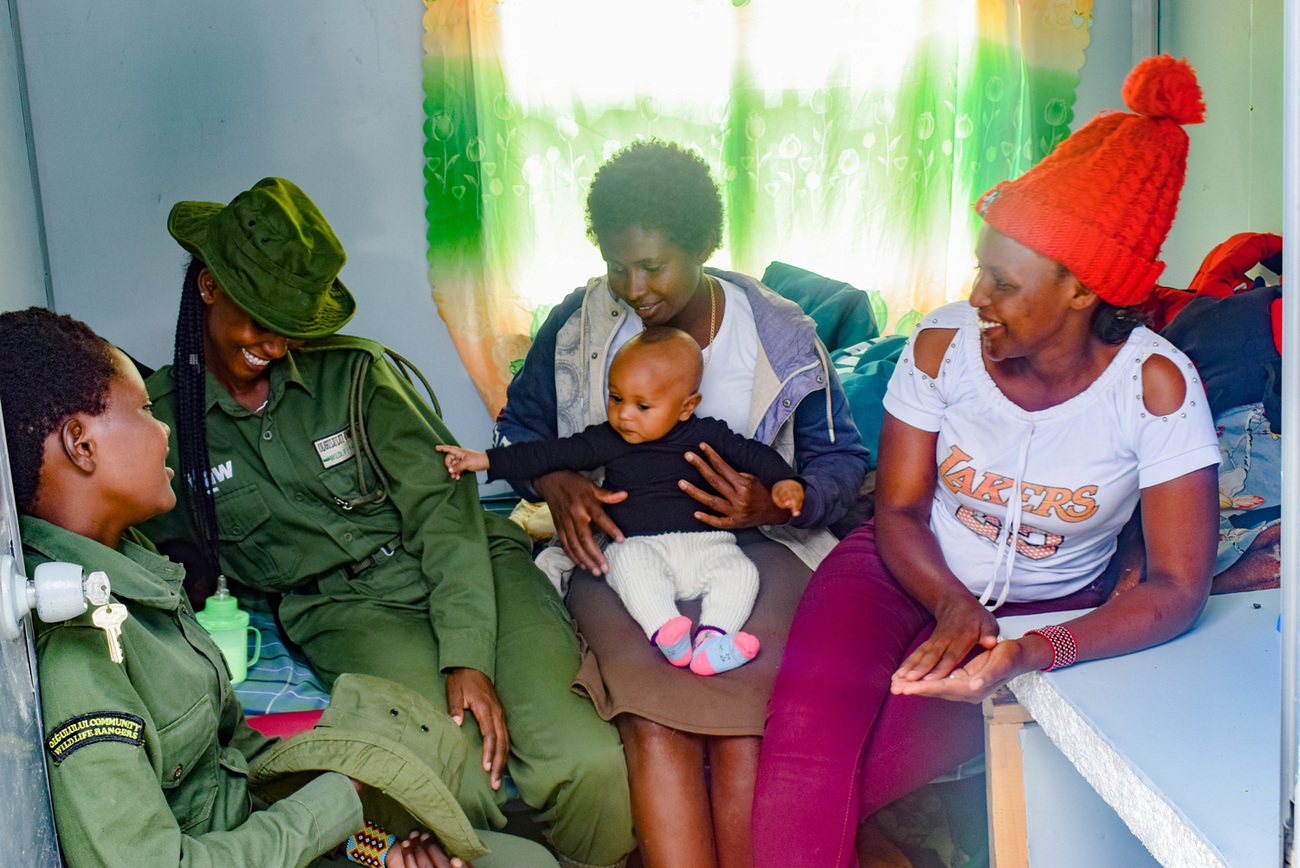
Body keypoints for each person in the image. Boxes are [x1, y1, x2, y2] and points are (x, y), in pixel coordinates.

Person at [752, 55, 1221, 866]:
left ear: (1082, 290)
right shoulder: (943, 348)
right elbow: (896, 509)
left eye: (1002, 282)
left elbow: (1180, 588)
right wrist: (953, 603)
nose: (976, 295)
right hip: (900, 570)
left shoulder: (1154, 389)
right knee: (799, 756)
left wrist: (1037, 649)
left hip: (1041, 612)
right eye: (979, 269)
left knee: (864, 772)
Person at [137, 177, 634, 868]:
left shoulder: (359, 376)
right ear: (210, 288)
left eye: (290, 327)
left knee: (587, 765)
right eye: (258, 319)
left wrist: (466, 653)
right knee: (453, 780)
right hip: (346, 607)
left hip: (468, 565)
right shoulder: (161, 420)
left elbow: (444, 509)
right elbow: (141, 550)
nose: (274, 345)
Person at [0, 306, 559, 868]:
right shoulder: (77, 652)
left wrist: (374, 849)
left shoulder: (134, 570)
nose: (165, 426)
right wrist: (343, 793)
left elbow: (241, 767)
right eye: (145, 410)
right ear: (81, 443)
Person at [495, 140, 870, 867]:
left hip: (757, 553)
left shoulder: (778, 332)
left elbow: (840, 460)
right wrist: (556, 483)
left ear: (704, 245)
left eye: (654, 266)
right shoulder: (579, 324)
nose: (633, 287)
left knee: (743, 722)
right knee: (651, 717)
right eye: (616, 265)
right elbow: (519, 427)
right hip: (624, 549)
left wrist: (776, 503)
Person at [440, 327, 805, 676]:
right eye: (616, 398)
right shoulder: (608, 439)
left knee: (741, 573)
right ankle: (667, 632)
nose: (624, 414)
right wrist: (484, 460)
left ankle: (713, 639)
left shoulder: (708, 433)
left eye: (642, 405)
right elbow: (547, 454)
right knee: (624, 563)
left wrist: (785, 482)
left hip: (709, 545)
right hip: (640, 545)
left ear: (686, 406)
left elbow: (754, 455)